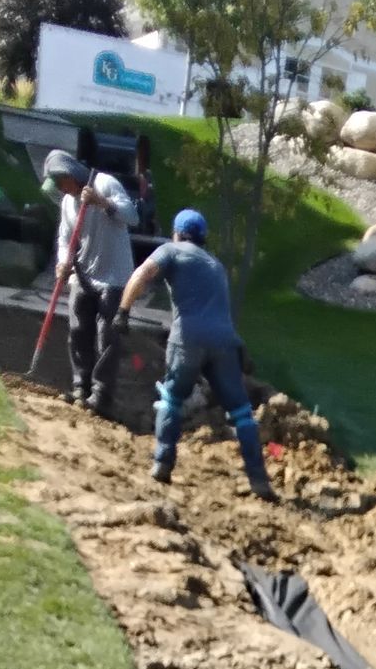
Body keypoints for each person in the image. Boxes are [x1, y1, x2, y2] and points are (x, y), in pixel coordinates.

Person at [109, 209, 275, 500]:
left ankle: (162, 462)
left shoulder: (171, 250)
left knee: (171, 399)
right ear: (203, 237)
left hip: (188, 338)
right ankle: (259, 480)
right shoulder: (216, 265)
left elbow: (143, 273)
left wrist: (123, 310)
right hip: (225, 343)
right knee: (242, 414)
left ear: (177, 233)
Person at [41, 148, 137, 417]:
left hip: (114, 276)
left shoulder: (105, 183)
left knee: (107, 336)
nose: (61, 189)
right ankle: (80, 387)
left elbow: (132, 216)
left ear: (71, 174)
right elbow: (64, 238)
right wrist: (63, 261)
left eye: (62, 183)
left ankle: (101, 395)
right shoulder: (67, 202)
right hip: (84, 274)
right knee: (78, 330)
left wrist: (102, 203)